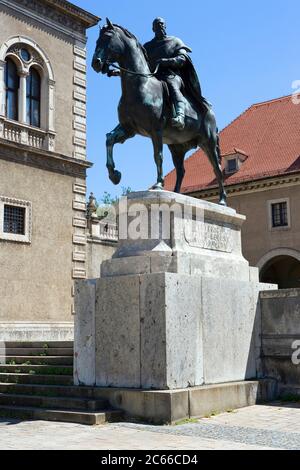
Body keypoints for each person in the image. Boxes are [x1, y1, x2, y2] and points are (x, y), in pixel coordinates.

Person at [143, 17, 209, 130]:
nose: (160, 26)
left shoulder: (175, 41)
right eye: (157, 25)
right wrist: (120, 72)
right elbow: (139, 65)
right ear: (153, 28)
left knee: (172, 85)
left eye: (162, 24)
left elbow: (182, 59)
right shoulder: (147, 47)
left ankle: (180, 115)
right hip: (153, 77)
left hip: (171, 75)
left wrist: (166, 61)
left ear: (165, 26)